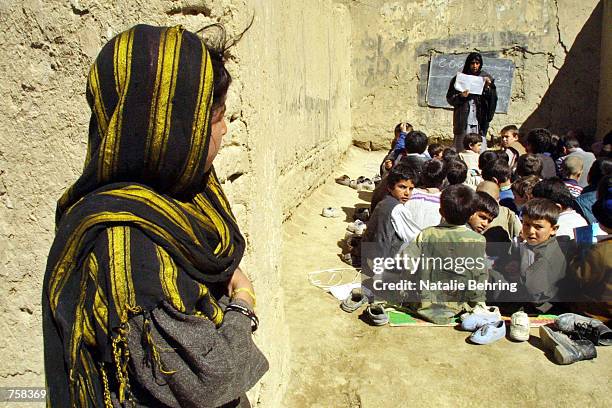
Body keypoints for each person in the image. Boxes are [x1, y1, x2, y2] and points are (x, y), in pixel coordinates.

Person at [42, 25, 268, 408]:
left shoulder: (183, 194)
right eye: (216, 117)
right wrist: (242, 302)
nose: (226, 130)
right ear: (173, 128)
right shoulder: (127, 247)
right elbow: (208, 378)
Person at [403, 185, 488, 324]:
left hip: (422, 305)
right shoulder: (478, 240)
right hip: (457, 307)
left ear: (441, 211)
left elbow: (406, 264)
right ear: (472, 214)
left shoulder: (426, 234)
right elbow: (480, 278)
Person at [446, 52, 497, 151]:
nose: (475, 66)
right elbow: (450, 98)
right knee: (461, 146)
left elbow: (492, 100)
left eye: (477, 63)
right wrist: (461, 96)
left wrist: (487, 88)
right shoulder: (460, 79)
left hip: (479, 119)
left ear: (480, 64)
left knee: (479, 145)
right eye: (472, 63)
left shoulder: (486, 78)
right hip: (463, 119)